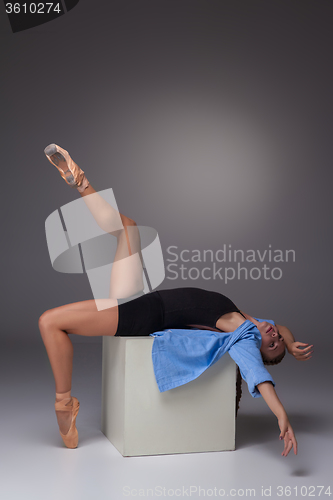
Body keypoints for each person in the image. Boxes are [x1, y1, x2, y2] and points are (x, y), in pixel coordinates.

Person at [39, 144, 312, 455]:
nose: (274, 334)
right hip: (143, 299)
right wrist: (288, 344)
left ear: (258, 348)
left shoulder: (244, 338)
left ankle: (64, 406)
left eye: (272, 344)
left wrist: (282, 415)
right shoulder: (251, 322)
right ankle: (79, 180)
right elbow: (282, 329)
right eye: (275, 336)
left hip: (140, 316)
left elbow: (260, 376)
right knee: (128, 228)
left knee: (50, 322)